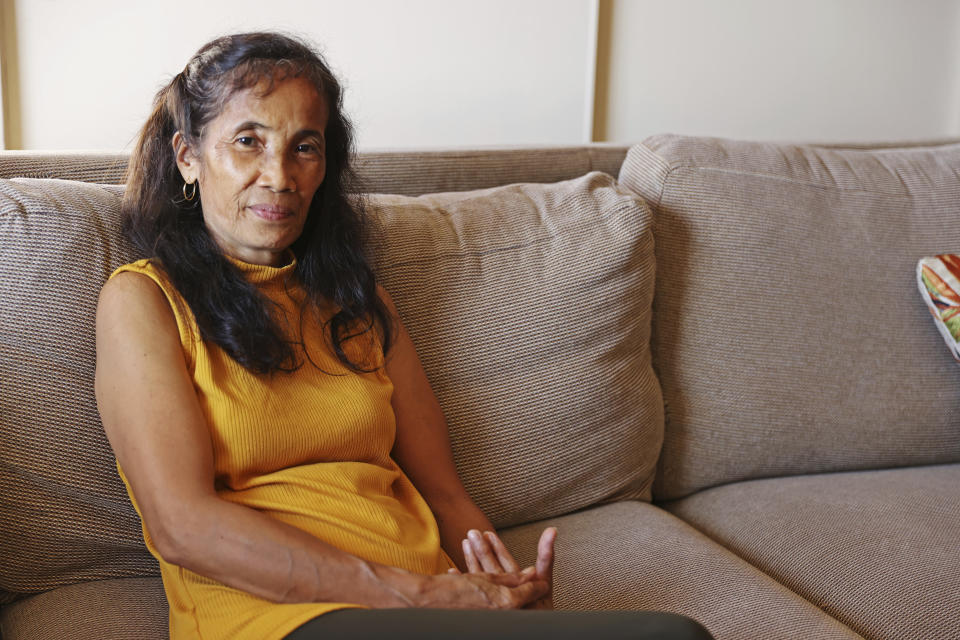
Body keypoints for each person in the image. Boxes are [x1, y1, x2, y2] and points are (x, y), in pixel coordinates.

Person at [94, 31, 713, 640]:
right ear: (188, 157)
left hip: (426, 602)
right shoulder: (143, 300)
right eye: (248, 141)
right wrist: (417, 594)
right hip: (278, 617)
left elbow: (446, 497)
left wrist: (503, 592)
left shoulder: (359, 305)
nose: (279, 175)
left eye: (304, 146)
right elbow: (182, 526)